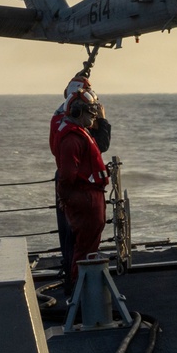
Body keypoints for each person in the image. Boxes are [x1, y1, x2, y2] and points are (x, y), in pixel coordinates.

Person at [52, 74, 112, 293]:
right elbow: (68, 175)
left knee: (84, 245)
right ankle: (82, 294)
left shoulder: (75, 131)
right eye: (91, 112)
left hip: (88, 195)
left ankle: (83, 294)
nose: (94, 116)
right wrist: (69, 199)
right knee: (83, 248)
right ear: (77, 112)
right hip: (84, 197)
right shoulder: (73, 138)